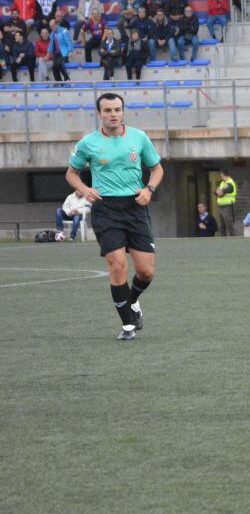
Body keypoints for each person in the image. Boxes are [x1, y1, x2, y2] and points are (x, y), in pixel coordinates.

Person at [65, 93, 164, 341]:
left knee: (146, 272)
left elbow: (157, 169)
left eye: (117, 109)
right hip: (106, 208)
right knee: (118, 265)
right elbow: (71, 174)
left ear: (123, 112)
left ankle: (133, 302)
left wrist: (149, 189)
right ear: (99, 114)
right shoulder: (88, 143)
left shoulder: (139, 137)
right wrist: (85, 189)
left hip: (135, 207)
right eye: (107, 110)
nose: (113, 114)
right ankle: (128, 326)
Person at [214, 167, 239, 236]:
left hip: (227, 207)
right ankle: (223, 240)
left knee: (229, 225)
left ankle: (234, 240)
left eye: (220, 174)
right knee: (222, 226)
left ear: (222, 174)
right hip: (221, 207)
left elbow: (220, 193)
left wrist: (219, 192)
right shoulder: (222, 183)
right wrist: (218, 192)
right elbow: (215, 192)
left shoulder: (230, 184)